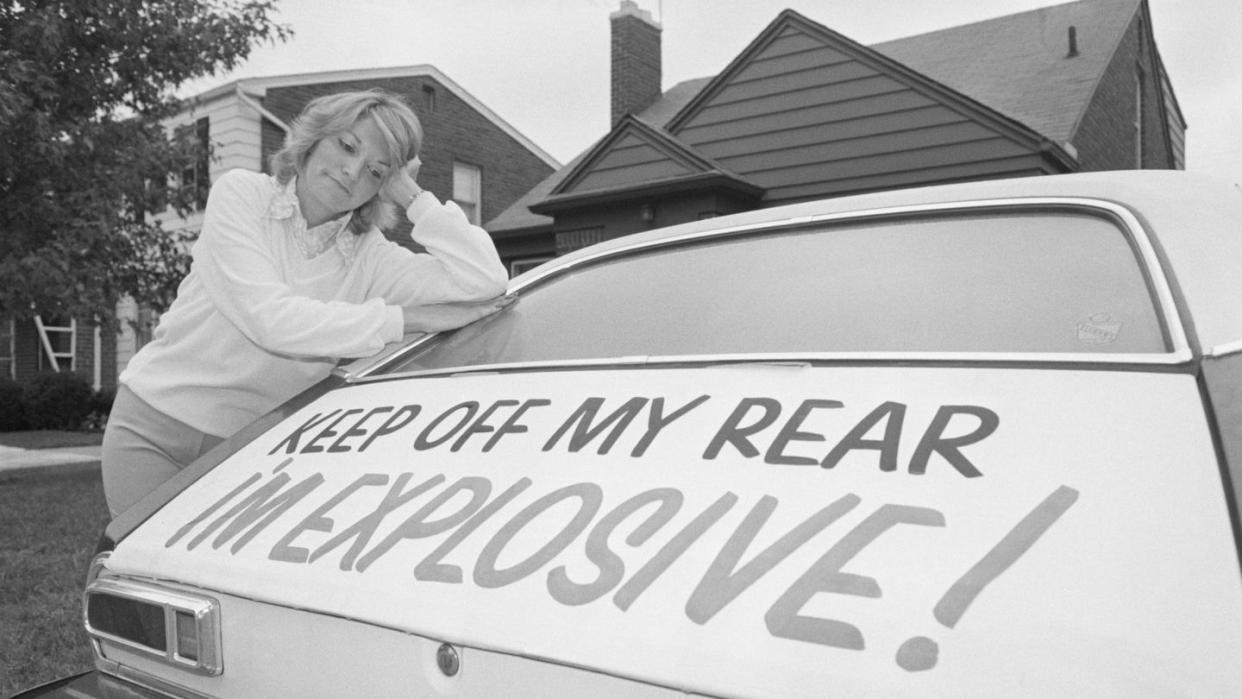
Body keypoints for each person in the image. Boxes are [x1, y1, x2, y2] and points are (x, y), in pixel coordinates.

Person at [101, 89, 510, 517]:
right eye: (347, 145)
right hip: (152, 429)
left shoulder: (371, 256)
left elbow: (485, 279)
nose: (352, 171)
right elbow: (269, 319)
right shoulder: (242, 197)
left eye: (375, 170)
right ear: (315, 137)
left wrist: (413, 197)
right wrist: (403, 319)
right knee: (146, 577)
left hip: (251, 451)